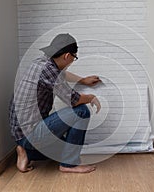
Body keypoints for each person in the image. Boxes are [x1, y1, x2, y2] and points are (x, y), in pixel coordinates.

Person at [9, 33, 101, 173]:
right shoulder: (48, 70)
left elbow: (60, 74)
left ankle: (25, 152)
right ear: (67, 56)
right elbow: (73, 100)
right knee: (82, 111)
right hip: (31, 133)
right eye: (74, 57)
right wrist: (91, 97)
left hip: (20, 134)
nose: (72, 61)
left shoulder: (42, 62)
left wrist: (82, 80)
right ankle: (68, 165)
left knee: (63, 148)